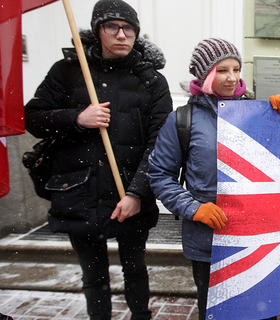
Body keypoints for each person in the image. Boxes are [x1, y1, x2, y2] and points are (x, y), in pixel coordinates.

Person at [23, 1, 172, 319]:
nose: (121, 35)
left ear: (136, 34)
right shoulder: (67, 70)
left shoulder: (152, 81)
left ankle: (140, 316)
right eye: (112, 26)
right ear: (97, 30)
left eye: (128, 28)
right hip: (81, 191)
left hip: (129, 193)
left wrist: (137, 193)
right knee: (94, 277)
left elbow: (160, 144)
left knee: (135, 269)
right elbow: (34, 118)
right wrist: (78, 117)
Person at [147, 37, 280, 320]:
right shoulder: (182, 121)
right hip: (208, 240)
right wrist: (194, 208)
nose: (232, 77)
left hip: (259, 237)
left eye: (236, 69)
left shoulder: (257, 112)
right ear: (205, 74)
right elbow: (160, 175)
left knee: (263, 309)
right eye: (222, 70)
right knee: (217, 310)